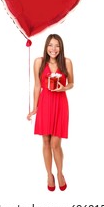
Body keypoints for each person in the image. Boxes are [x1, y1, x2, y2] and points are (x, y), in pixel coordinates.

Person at [27, 34, 74, 191]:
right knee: (46, 142)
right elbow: (37, 86)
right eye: (50, 45)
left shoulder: (66, 62)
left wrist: (64, 87)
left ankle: (60, 173)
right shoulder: (39, 62)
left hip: (60, 103)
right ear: (46, 46)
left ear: (61, 48)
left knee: (56, 143)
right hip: (45, 102)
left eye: (57, 46)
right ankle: (49, 175)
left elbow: (72, 83)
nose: (53, 49)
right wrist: (35, 107)